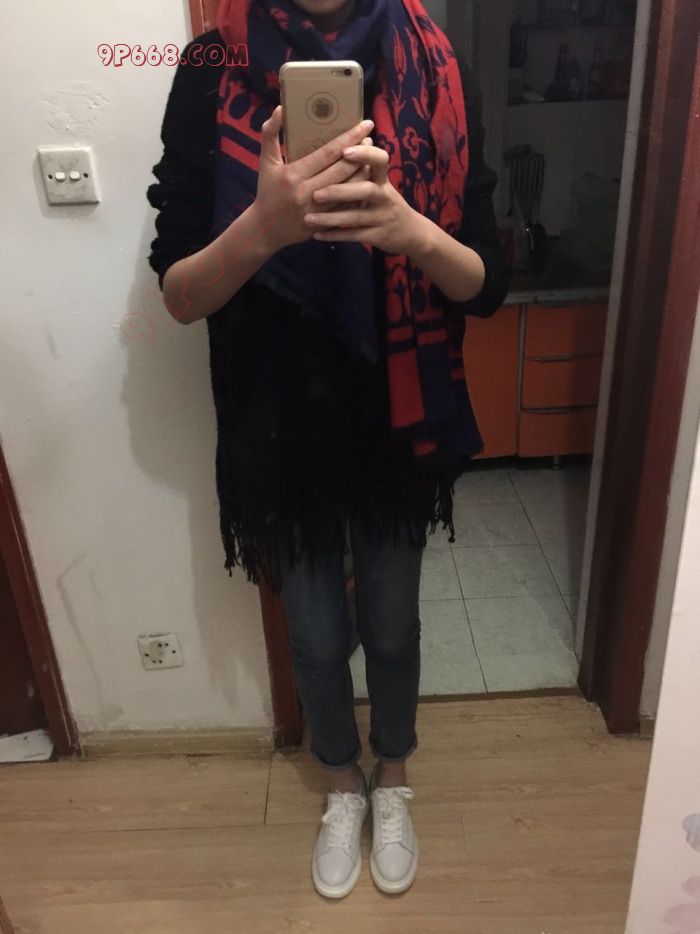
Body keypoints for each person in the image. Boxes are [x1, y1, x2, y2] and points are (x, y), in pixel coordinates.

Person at [146, 0, 508, 901]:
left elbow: (486, 285)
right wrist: (264, 228)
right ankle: (342, 784)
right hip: (276, 417)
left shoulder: (436, 66)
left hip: (397, 412)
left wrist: (409, 229)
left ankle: (394, 774)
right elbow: (180, 295)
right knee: (312, 635)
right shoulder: (207, 70)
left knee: (391, 623)